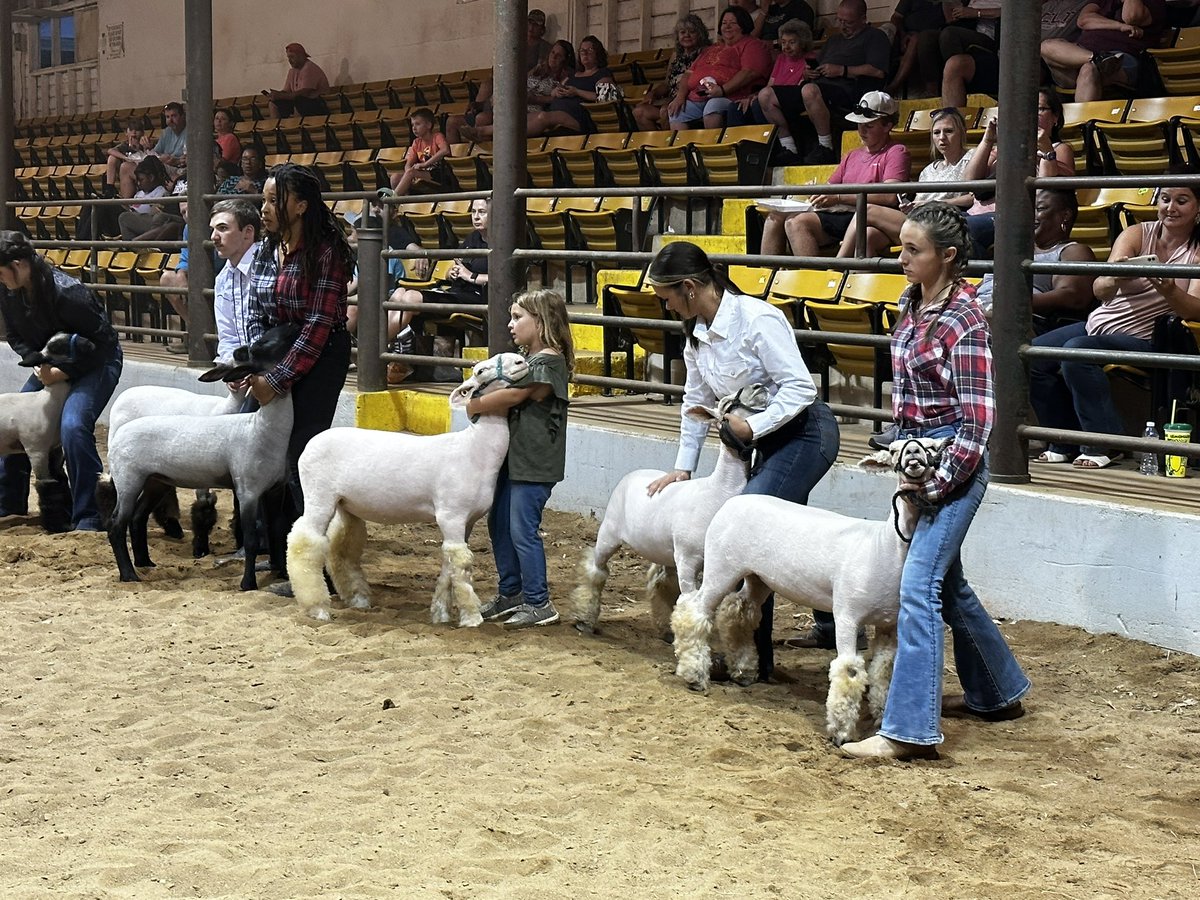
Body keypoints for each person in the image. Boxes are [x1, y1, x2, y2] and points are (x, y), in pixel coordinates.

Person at [840, 202, 1030, 760]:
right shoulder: (913, 302)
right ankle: (998, 691)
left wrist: (937, 484)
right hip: (920, 458)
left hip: (954, 465)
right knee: (946, 584)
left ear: (947, 256)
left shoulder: (964, 320)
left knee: (917, 584)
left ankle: (908, 729)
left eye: (912, 250)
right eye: (902, 247)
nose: (901, 258)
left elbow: (978, 422)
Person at [643, 241, 842, 674]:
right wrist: (683, 465)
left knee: (748, 528)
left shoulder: (757, 319)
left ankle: (750, 657)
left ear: (691, 288)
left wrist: (753, 426)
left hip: (805, 434)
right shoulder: (695, 338)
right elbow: (694, 402)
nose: (668, 307)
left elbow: (800, 388)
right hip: (759, 443)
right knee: (785, 535)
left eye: (669, 298)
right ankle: (807, 632)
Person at [1030, 182, 1200, 469]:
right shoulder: (1136, 232)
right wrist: (1115, 276)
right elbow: (1100, 291)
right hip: (1099, 325)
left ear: (1198, 209)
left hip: (1146, 337)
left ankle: (1105, 443)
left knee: (1078, 352)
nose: (1170, 207)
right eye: (1165, 199)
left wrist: (1170, 290)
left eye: (1182, 200)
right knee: (1032, 355)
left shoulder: (1197, 250)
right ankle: (1063, 439)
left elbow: (1194, 309)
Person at [246, 163, 353, 594]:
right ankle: (280, 557)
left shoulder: (328, 251)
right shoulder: (271, 248)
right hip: (280, 357)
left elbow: (319, 326)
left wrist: (279, 378)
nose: (265, 209)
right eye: (265, 199)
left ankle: (315, 572)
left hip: (320, 359)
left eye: (275, 201)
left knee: (302, 460)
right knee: (271, 457)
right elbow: (257, 310)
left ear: (302, 205)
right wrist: (258, 367)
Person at [0, 231, 123, 532]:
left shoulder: (68, 292)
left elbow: (104, 343)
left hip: (96, 363)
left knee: (73, 426)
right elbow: (14, 334)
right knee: (13, 421)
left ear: (19, 265)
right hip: (48, 364)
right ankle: (9, 503)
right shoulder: (8, 290)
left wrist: (63, 371)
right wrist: (39, 362)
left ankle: (90, 513)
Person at [470, 289, 574, 629]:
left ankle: (538, 601)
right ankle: (511, 592)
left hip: (533, 464)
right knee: (499, 524)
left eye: (518, 318)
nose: (510, 324)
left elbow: (516, 395)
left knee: (522, 529)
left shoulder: (549, 363)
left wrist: (474, 404)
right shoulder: (525, 361)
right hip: (511, 462)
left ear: (541, 321)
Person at [760, 91, 909, 259]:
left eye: (869, 126)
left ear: (887, 126)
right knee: (775, 218)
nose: (862, 131)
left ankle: (816, 281)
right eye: (859, 125)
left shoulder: (896, 151)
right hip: (839, 214)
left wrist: (839, 197)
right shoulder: (852, 155)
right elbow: (831, 188)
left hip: (864, 217)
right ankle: (767, 278)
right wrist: (816, 191)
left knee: (796, 223)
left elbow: (890, 196)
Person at [836, 106, 974, 258]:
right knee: (868, 235)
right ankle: (857, 279)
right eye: (936, 132)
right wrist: (909, 206)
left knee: (866, 210)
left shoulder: (972, 159)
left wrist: (934, 204)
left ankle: (835, 266)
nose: (942, 137)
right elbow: (918, 203)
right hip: (919, 219)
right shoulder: (928, 170)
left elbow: (973, 198)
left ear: (962, 132)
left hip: (944, 221)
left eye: (948, 131)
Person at [963, 87, 1075, 256]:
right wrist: (988, 140)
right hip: (976, 212)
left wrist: (1044, 148)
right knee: (932, 223)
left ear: (1055, 117)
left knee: (965, 230)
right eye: (1027, 109)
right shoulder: (1000, 150)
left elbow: (1047, 186)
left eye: (1040, 109)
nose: (1032, 114)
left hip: (1012, 215)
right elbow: (969, 180)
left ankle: (985, 275)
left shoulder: (1060, 149)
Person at [392, 197, 490, 379]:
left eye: (482, 212)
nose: (476, 217)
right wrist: (451, 272)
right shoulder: (473, 237)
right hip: (457, 292)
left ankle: (381, 350)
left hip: (477, 298)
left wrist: (470, 276)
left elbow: (502, 278)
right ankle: (400, 353)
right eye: (474, 212)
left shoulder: (501, 241)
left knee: (410, 298)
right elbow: (457, 265)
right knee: (399, 293)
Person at [975, 188, 1096, 334]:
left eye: (1040, 208)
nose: (1031, 215)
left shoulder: (1073, 251)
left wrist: (1016, 303)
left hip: (1020, 320)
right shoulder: (1013, 249)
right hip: (978, 309)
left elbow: (1073, 296)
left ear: (1065, 215)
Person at [790, 0, 890, 164]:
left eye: (848, 22)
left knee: (809, 91)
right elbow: (819, 64)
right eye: (839, 20)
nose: (842, 26)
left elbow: (877, 71)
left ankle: (825, 147)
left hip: (848, 91)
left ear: (863, 18)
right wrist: (810, 72)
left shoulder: (875, 36)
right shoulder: (833, 40)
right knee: (767, 96)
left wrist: (843, 70)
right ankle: (788, 148)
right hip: (818, 85)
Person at [463, 37, 615, 139]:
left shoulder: (602, 74)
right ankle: (485, 133)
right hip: (556, 113)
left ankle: (487, 133)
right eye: (582, 50)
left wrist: (577, 91)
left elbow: (606, 97)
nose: (585, 54)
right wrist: (556, 92)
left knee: (542, 117)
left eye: (590, 50)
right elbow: (555, 93)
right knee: (521, 118)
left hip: (578, 118)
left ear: (598, 53)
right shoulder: (575, 75)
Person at [667, 5, 772, 131]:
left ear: (743, 25)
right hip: (698, 96)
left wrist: (722, 90)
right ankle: (685, 150)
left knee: (712, 107)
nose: (727, 27)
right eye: (724, 23)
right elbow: (688, 74)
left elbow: (748, 73)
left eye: (732, 23)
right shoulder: (712, 48)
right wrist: (680, 97)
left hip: (732, 96)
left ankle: (713, 149)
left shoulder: (752, 45)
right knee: (676, 112)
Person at [1040, 0, 1166, 102]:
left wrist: (1108, 22)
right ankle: (1098, 58)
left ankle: (1085, 129)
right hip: (1083, 55)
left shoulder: (1153, 3)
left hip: (1122, 58)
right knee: (1046, 46)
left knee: (1089, 70)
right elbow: (1084, 21)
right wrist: (1120, 26)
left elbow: (1131, 17)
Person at [744, 17, 812, 158]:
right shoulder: (781, 58)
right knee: (740, 107)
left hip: (792, 99)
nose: (786, 47)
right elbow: (771, 84)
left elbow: (800, 87)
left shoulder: (810, 59)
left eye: (792, 43)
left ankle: (779, 147)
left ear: (803, 43)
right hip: (773, 98)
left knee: (757, 106)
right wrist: (754, 96)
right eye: (784, 42)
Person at [633, 16, 711, 132]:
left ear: (700, 34)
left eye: (692, 32)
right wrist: (653, 93)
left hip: (690, 100)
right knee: (639, 111)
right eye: (682, 32)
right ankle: (657, 145)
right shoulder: (675, 56)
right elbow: (667, 83)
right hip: (670, 99)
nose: (687, 35)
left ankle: (668, 146)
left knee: (666, 111)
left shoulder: (706, 53)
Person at [210, 199, 263, 365]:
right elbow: (228, 337)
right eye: (212, 230)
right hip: (244, 370)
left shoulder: (270, 266)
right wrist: (232, 369)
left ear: (248, 232)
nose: (213, 237)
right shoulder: (222, 278)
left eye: (223, 228)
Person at [938, 1, 1002, 108]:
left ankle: (962, 84)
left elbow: (1010, 13)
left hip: (991, 37)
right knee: (927, 38)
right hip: (970, 25)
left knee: (949, 34)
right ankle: (937, 90)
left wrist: (976, 13)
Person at [388, 108, 450, 194]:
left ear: (428, 125)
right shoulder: (416, 142)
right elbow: (408, 164)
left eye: (417, 124)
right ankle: (401, 204)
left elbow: (445, 150)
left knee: (410, 173)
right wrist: (408, 173)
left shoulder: (437, 136)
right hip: (423, 173)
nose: (414, 128)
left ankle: (392, 200)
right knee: (395, 177)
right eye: (412, 125)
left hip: (438, 174)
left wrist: (425, 164)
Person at [118, 156, 181, 241]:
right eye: (137, 181)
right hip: (138, 220)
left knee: (124, 217)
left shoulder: (161, 192)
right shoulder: (139, 193)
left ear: (151, 177)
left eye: (141, 180)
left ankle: (130, 246)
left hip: (153, 223)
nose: (139, 183)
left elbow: (155, 213)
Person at [266, 43, 330, 118]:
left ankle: (296, 128)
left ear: (301, 56)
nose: (290, 60)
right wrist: (276, 94)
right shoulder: (292, 71)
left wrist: (281, 95)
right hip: (301, 102)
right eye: (288, 57)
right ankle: (276, 128)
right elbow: (287, 91)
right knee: (273, 103)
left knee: (299, 102)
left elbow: (303, 94)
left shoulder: (309, 68)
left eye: (292, 57)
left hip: (318, 104)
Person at [103, 120, 150, 198]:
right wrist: (125, 158)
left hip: (143, 170)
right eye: (131, 130)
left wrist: (143, 148)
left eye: (137, 130)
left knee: (126, 166)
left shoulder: (145, 143)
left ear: (142, 132)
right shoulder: (125, 145)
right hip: (127, 171)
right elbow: (110, 150)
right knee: (112, 158)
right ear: (126, 133)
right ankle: (110, 188)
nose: (134, 132)